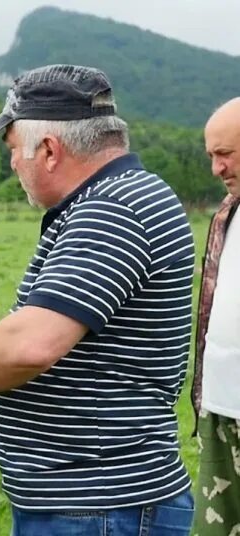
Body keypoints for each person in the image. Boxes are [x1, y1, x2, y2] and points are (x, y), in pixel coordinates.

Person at [0, 65, 195, 535]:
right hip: (94, 501)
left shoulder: (113, 208)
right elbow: (91, 343)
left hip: (99, 504)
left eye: (12, 150)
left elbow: (33, 346)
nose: (11, 165)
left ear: (48, 150)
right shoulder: (121, 197)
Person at [192, 97, 240, 535]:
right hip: (221, 405)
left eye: (226, 154)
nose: (217, 169)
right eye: (212, 156)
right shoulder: (228, 212)